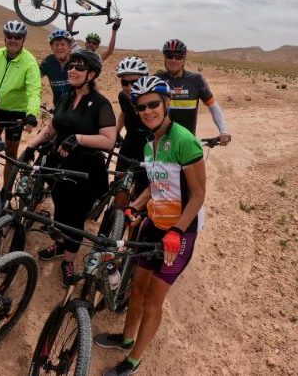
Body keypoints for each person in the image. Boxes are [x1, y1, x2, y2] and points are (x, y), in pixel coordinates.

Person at [95, 76, 206, 376]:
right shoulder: (149, 144)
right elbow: (155, 188)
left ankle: (134, 359)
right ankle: (126, 338)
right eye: (141, 107)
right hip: (155, 225)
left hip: (180, 233)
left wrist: (177, 231)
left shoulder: (184, 140)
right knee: (137, 290)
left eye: (153, 104)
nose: (147, 111)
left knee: (154, 300)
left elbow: (198, 196)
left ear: (166, 103)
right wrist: (134, 206)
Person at [25, 49, 116, 287]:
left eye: (79, 67)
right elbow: (51, 129)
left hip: (85, 169)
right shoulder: (65, 98)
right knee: (60, 205)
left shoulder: (100, 104)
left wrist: (79, 138)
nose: (72, 70)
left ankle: (69, 260)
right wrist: (30, 146)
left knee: (75, 215)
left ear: (92, 74)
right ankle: (61, 244)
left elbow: (108, 140)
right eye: (71, 66)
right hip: (60, 164)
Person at [0, 20, 41, 185]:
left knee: (10, 154)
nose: (13, 39)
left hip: (16, 113)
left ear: (23, 39)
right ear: (5, 37)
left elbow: (34, 91)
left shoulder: (29, 62)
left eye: (17, 37)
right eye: (9, 36)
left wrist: (31, 114)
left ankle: (5, 192)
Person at [156, 39, 231, 145]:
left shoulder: (196, 80)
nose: (173, 60)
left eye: (178, 56)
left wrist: (223, 131)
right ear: (164, 58)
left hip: (187, 142)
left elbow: (213, 106)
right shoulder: (156, 80)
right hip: (161, 143)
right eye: (169, 56)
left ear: (184, 59)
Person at [114, 56, 151, 193]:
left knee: (143, 188)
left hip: (148, 146)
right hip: (129, 142)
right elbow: (124, 113)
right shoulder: (122, 96)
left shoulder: (152, 99)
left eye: (135, 82)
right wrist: (117, 131)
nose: (129, 87)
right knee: (118, 183)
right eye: (125, 82)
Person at [39, 29, 74, 108]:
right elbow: (34, 77)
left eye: (62, 44)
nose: (59, 47)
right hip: (58, 108)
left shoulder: (76, 61)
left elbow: (91, 83)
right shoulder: (48, 62)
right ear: (51, 47)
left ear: (69, 46)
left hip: (77, 107)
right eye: (56, 44)